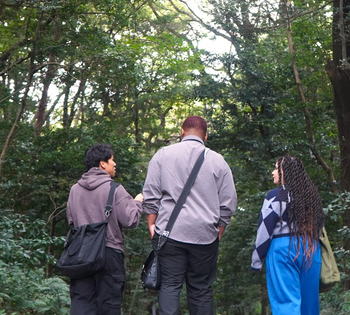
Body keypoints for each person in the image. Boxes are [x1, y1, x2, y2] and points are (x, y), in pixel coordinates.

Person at [142, 116, 238, 315]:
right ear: (206, 136)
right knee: (201, 289)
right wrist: (218, 232)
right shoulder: (218, 161)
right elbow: (228, 203)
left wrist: (152, 226)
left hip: (169, 233)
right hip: (205, 235)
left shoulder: (163, 155)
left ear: (182, 132)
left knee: (169, 285)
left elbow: (151, 196)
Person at [66, 143, 143, 315]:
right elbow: (130, 220)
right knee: (109, 305)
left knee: (81, 302)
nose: (114, 164)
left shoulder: (74, 190)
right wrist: (138, 203)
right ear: (102, 164)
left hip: (81, 254)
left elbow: (71, 221)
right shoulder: (115, 189)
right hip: (109, 253)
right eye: (112, 160)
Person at [251, 154, 323, 315]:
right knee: (309, 305)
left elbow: (264, 229)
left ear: (285, 172)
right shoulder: (311, 197)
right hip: (311, 249)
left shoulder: (275, 196)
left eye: (276, 168)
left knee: (286, 303)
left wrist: (257, 259)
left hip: (283, 250)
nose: (273, 172)